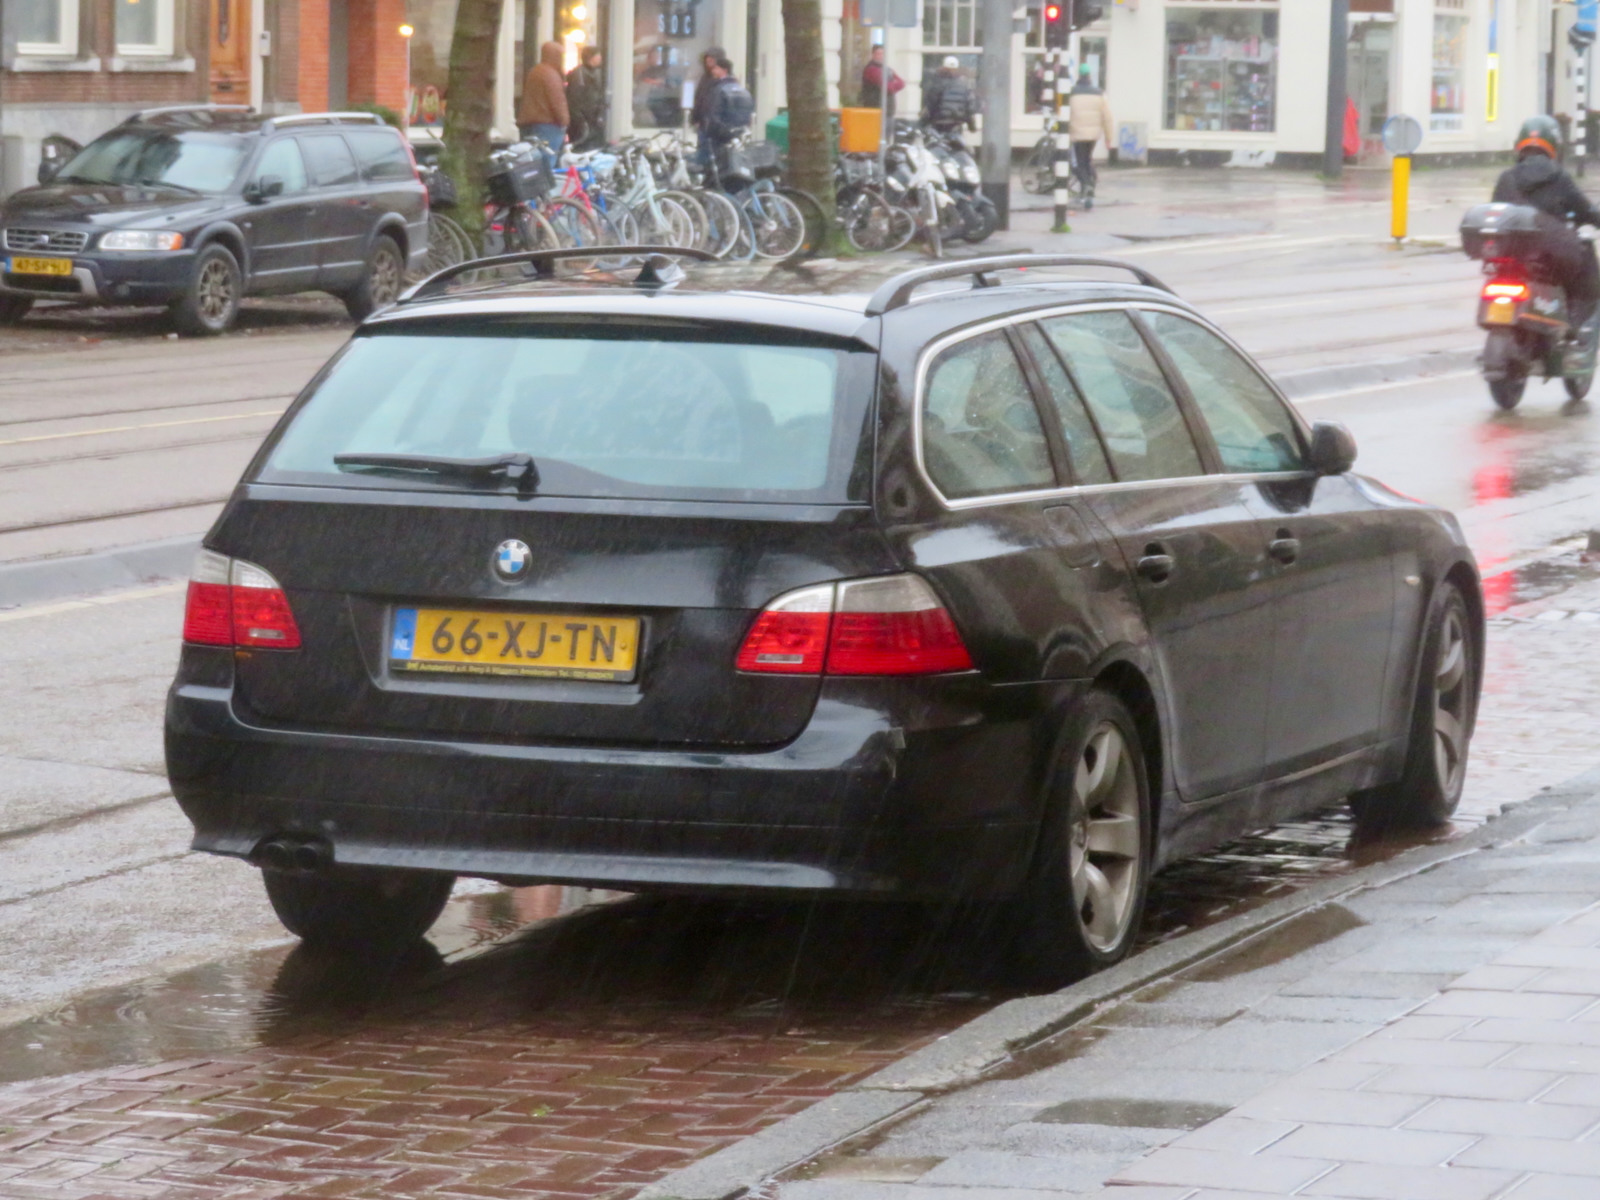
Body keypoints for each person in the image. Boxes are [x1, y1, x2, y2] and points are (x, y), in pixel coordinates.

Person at [1492, 115, 1600, 329]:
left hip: (1512, 256)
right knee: (1586, 263)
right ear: (1554, 146)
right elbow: (1584, 209)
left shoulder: (1506, 177)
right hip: (1549, 257)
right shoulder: (1559, 177)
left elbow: (1496, 212)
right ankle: (1578, 329)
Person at [696, 56, 753, 184]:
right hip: (735, 136)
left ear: (724, 70)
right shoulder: (742, 90)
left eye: (716, 68)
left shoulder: (718, 89)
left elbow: (712, 114)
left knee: (706, 168)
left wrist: (709, 129)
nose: (713, 71)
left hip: (716, 138)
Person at [1066, 65, 1113, 209]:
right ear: (1090, 76)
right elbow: (1107, 117)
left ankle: (1087, 185)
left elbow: (1065, 113)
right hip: (1093, 135)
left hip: (1077, 133)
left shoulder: (1072, 93)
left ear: (1079, 75)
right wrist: (1108, 138)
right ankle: (1088, 191)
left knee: (1077, 163)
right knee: (1087, 160)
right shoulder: (1099, 93)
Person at [517, 41, 569, 158]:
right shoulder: (551, 75)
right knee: (548, 159)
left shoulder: (534, 71)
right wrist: (564, 121)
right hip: (548, 125)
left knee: (531, 159)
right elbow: (557, 101)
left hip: (528, 123)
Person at [922, 56, 976, 135]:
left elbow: (930, 105)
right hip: (956, 123)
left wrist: (924, 122)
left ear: (943, 67)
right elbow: (969, 108)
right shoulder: (963, 85)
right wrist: (972, 126)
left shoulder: (936, 83)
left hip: (938, 123)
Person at [566, 46, 606, 151]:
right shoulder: (578, 74)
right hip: (583, 120)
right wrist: (580, 120)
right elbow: (574, 99)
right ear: (591, 57)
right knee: (582, 148)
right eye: (598, 55)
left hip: (593, 119)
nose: (600, 57)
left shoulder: (598, 73)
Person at [859, 45, 904, 117]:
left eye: (883, 54)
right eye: (878, 54)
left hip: (888, 109)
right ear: (873, 55)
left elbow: (901, 83)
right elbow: (886, 86)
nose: (881, 56)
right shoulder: (871, 69)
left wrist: (892, 86)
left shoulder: (887, 69)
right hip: (876, 109)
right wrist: (893, 85)